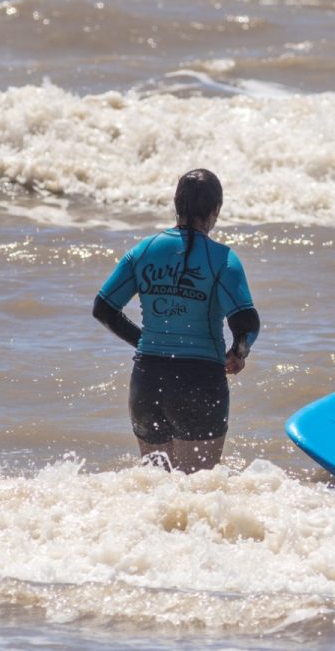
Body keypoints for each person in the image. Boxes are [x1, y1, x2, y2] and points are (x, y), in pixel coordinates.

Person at [93, 169, 260, 473]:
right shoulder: (222, 259)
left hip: (147, 382)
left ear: (176, 203)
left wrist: (143, 340)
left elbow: (104, 309)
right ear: (216, 210)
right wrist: (238, 353)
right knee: (197, 494)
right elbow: (247, 323)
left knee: (157, 490)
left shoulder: (142, 251)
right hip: (200, 382)